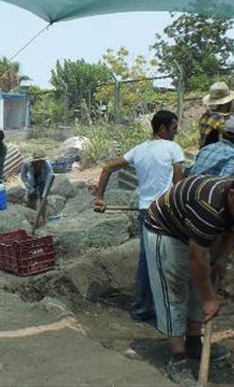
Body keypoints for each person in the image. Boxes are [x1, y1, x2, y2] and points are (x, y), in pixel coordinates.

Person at [144, 175, 234, 385]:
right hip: (166, 231)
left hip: (193, 233)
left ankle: (194, 343)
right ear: (232, 195)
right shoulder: (209, 206)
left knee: (200, 284)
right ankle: (178, 358)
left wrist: (222, 258)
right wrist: (209, 300)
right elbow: (198, 258)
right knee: (173, 291)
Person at [94, 110, 184, 322]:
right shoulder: (173, 148)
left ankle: (143, 308)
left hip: (146, 212)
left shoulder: (139, 150)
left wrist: (100, 197)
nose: (176, 133)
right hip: (166, 212)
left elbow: (107, 168)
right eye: (174, 129)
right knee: (170, 259)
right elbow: (179, 186)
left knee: (148, 260)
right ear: (163, 128)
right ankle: (165, 309)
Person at [199, 82, 234, 148]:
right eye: (230, 101)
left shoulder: (204, 117)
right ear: (226, 103)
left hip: (203, 154)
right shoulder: (223, 120)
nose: (231, 103)